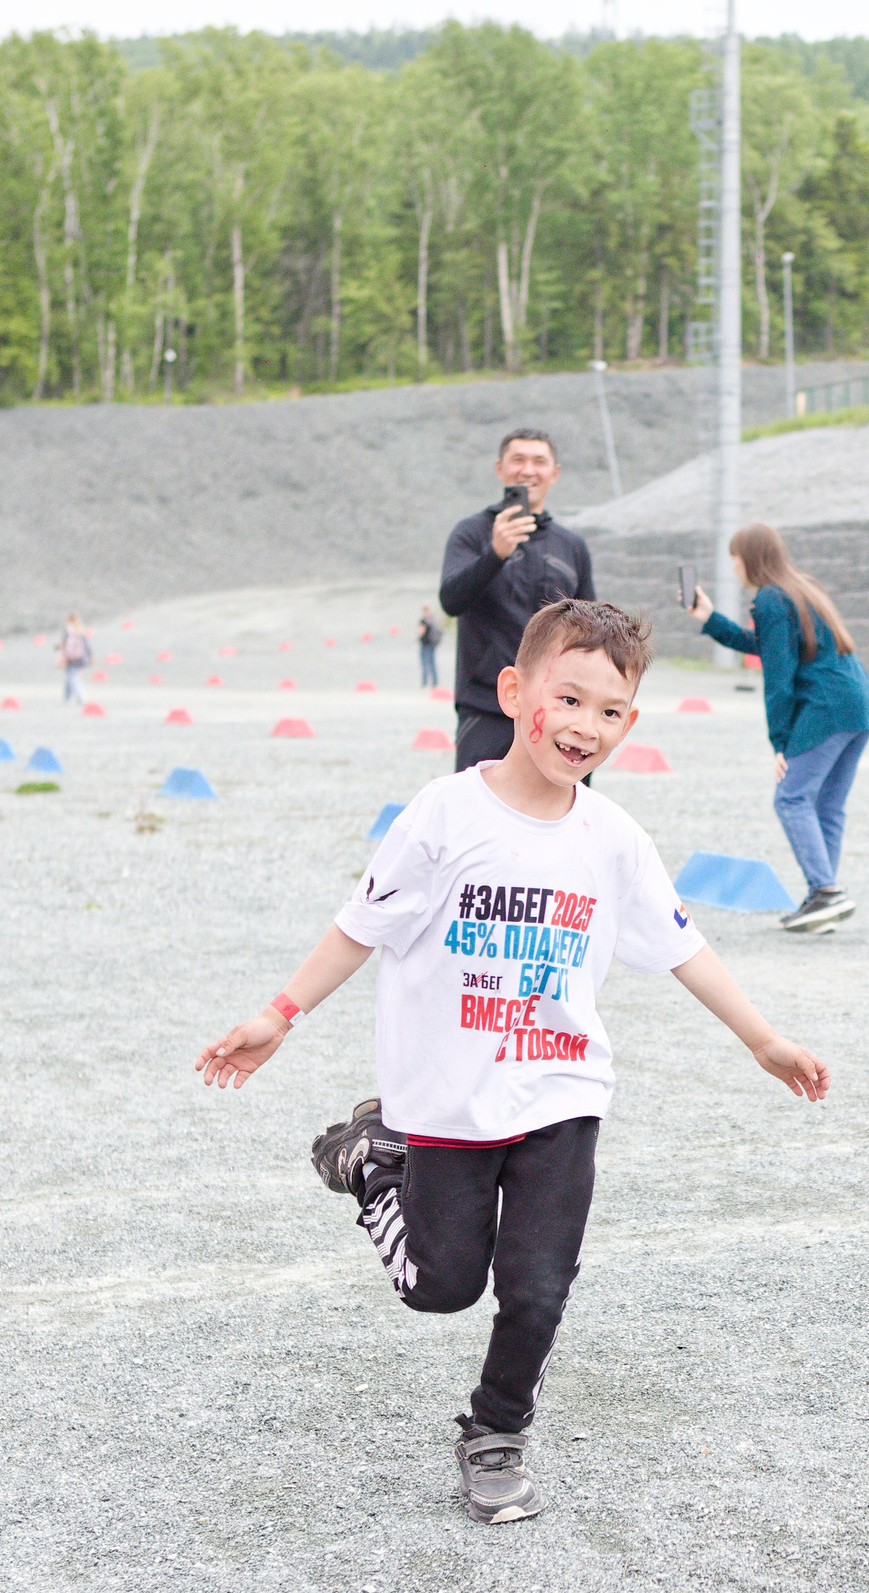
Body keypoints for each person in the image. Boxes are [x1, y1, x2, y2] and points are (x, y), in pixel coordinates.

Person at [193, 600, 830, 1523]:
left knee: (538, 1283)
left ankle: (495, 1431)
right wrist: (277, 1014)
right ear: (513, 690)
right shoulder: (444, 816)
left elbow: (683, 945)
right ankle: (375, 1157)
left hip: (561, 1089)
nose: (583, 727)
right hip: (448, 1100)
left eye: (609, 711)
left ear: (630, 723)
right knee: (441, 1285)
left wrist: (763, 1037)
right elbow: (359, 926)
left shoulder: (613, 839)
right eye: (566, 698)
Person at [691, 523, 869, 934]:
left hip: (827, 706)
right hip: (858, 703)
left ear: (748, 559)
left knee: (791, 796)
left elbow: (778, 678)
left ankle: (826, 891)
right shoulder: (800, 587)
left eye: (735, 559)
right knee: (827, 804)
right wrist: (710, 619)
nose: (735, 568)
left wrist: (780, 741)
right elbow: (768, 645)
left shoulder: (771, 599)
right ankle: (824, 898)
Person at [439, 430, 594, 770]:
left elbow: (591, 631)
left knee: (560, 811)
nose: (528, 470)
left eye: (539, 462)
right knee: (478, 811)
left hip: (559, 709)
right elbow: (450, 600)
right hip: (486, 703)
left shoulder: (571, 546)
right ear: (500, 469)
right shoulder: (471, 533)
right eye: (518, 460)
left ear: (554, 473)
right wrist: (494, 553)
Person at [58, 615, 92, 705]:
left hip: (70, 658)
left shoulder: (68, 630)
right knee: (70, 677)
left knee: (73, 677)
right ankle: (66, 698)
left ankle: (81, 697)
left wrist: (59, 653)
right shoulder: (79, 629)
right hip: (80, 658)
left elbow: (63, 645)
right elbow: (86, 645)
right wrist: (90, 657)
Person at [416, 605, 443, 689]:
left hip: (425, 644)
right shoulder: (433, 620)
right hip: (432, 644)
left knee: (425, 663)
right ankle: (435, 683)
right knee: (432, 663)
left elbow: (420, 632)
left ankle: (424, 682)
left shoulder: (424, 620)